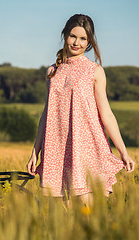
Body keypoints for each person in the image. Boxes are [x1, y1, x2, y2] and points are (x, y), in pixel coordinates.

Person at [27, 14, 135, 204]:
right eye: (73, 36)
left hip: (88, 150)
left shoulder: (95, 71)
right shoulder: (52, 71)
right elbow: (46, 115)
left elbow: (106, 114)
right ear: (65, 35)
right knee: (63, 226)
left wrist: (123, 151)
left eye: (83, 38)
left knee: (88, 222)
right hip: (57, 152)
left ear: (90, 41)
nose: (77, 42)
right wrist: (35, 152)